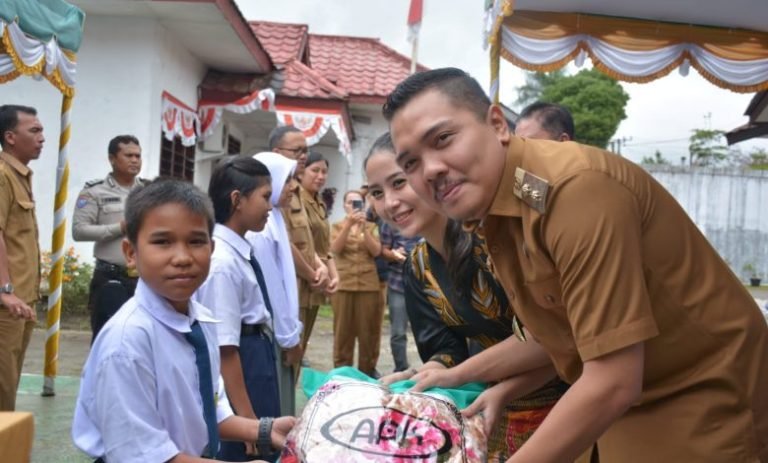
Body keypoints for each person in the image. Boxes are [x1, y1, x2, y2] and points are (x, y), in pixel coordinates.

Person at [383, 67, 768, 462]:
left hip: (705, 394)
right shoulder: (500, 208)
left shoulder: (574, 191)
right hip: (622, 404)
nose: (430, 170)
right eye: (410, 163)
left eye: (443, 139)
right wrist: (473, 380)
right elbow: (557, 333)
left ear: (497, 123)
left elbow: (613, 379)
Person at [366, 133, 567, 461]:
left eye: (399, 183)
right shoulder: (417, 265)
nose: (389, 203)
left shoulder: (495, 240)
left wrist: (460, 376)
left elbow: (556, 337)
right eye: (376, 192)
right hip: (489, 410)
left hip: (564, 405)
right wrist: (418, 376)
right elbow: (447, 349)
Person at [72, 179, 295, 462]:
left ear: (211, 248)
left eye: (196, 242)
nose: (182, 257)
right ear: (131, 253)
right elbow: (144, 456)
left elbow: (205, 411)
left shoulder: (200, 321)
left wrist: (263, 429)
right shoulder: (127, 343)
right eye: (162, 242)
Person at [195, 156, 284, 461]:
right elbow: (225, 349)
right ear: (237, 200)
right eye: (264, 197)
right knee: (246, 453)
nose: (270, 207)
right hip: (242, 366)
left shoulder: (238, 250)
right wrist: (247, 422)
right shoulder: (223, 263)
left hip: (255, 357)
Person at [72, 135, 147, 341]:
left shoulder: (149, 192)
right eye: (129, 155)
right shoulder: (94, 191)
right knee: (106, 339)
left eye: (138, 156)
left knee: (142, 340)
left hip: (145, 279)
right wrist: (119, 228)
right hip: (110, 277)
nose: (135, 160)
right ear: (112, 159)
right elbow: (79, 231)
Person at [247, 152, 304, 417]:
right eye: (288, 178)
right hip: (275, 334)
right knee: (277, 409)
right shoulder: (261, 231)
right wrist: (289, 338)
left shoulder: (274, 218)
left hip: (279, 331)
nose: (294, 186)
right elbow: (273, 290)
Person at [269, 126, 329, 359]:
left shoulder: (296, 189)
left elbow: (305, 240)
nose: (303, 155)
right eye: (297, 150)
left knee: (296, 359)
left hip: (306, 287)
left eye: (306, 150)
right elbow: (283, 242)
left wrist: (320, 266)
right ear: (276, 151)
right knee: (285, 359)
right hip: (290, 287)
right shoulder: (275, 190)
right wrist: (311, 273)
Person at [0, 105, 42, 411]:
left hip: (21, 302)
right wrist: (6, 290)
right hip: (7, 304)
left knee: (9, 386)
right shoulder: (2, 176)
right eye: (34, 131)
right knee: (2, 391)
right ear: (10, 137)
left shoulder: (20, 175)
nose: (42, 137)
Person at [329, 190, 382, 376]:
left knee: (368, 332)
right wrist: (349, 225)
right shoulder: (337, 226)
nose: (354, 206)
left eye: (358, 202)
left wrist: (363, 229)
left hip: (368, 284)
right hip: (343, 284)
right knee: (343, 332)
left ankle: (367, 371)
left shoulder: (371, 226)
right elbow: (335, 248)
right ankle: (342, 373)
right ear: (344, 205)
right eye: (350, 202)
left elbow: (376, 251)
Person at [378, 218, 420, 373]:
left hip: (424, 284)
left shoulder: (427, 215)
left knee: (429, 329)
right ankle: (401, 368)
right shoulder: (389, 221)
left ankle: (432, 368)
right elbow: (382, 250)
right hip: (398, 283)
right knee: (398, 332)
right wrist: (394, 254)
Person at [299, 152, 339, 297]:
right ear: (301, 172)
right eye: (315, 170)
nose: (321, 176)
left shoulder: (320, 203)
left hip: (321, 276)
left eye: (324, 172)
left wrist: (334, 276)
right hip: (304, 275)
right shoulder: (296, 200)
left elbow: (326, 247)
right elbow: (300, 241)